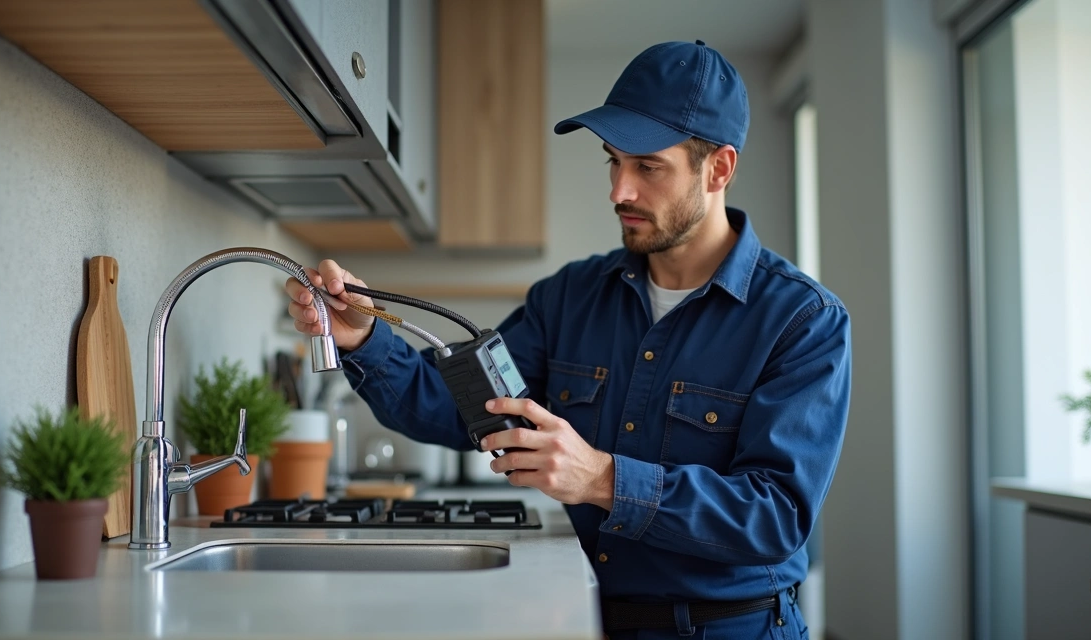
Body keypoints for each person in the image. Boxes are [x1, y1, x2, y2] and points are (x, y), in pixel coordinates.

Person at [285, 40, 850, 640]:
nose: (619, 192)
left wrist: (603, 479)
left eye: (647, 167)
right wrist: (365, 337)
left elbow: (777, 517)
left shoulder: (802, 320)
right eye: (613, 161)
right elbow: (470, 410)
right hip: (589, 619)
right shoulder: (569, 298)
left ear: (718, 169)